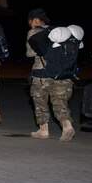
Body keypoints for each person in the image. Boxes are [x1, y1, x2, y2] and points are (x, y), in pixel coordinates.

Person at [25, 8, 76, 141]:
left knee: (40, 99)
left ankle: (43, 129)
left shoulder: (33, 32)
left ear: (33, 20)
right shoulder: (59, 32)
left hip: (42, 73)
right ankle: (67, 126)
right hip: (61, 72)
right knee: (59, 100)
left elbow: (30, 53)